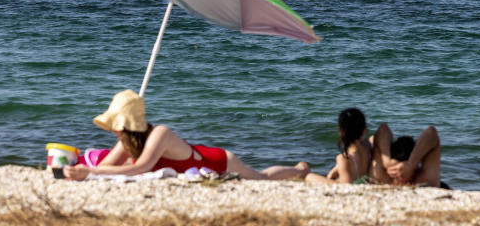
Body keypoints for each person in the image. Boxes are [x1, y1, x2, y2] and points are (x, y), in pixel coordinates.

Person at [63, 90, 309, 181]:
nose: (113, 130)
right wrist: (83, 173)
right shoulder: (128, 141)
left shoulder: (160, 133)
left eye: (116, 125)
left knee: (261, 177)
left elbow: (142, 167)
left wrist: (92, 171)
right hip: (195, 161)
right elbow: (105, 166)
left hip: (215, 160)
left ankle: (299, 170)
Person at [303, 108, 372, 184]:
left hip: (352, 184)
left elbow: (346, 185)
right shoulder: (368, 149)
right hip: (363, 180)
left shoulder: (343, 158)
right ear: (364, 131)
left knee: (309, 176)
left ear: (340, 131)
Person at [370, 123, 442, 187]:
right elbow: (382, 128)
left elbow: (431, 132)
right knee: (372, 140)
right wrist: (386, 161)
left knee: (373, 140)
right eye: (395, 171)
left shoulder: (380, 177)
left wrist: (410, 165)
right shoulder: (425, 179)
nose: (400, 175)